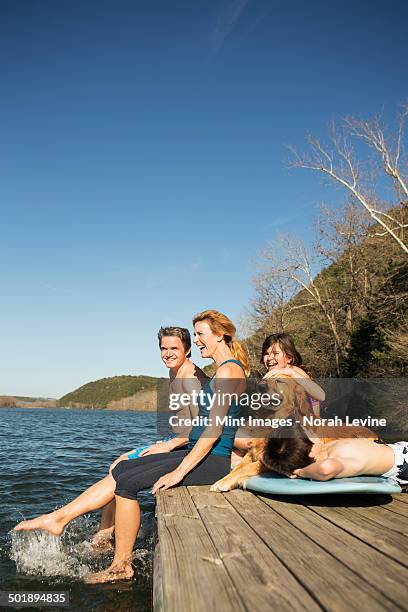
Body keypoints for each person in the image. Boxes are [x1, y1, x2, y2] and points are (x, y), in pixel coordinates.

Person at [15, 310, 249, 585]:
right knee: (123, 468)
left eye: (200, 334)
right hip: (199, 454)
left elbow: (214, 430)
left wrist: (178, 471)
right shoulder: (223, 370)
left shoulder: (230, 370)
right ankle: (59, 519)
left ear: (219, 335)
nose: (196, 341)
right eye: (195, 334)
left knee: (127, 483)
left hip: (212, 460)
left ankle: (121, 566)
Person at [91, 326, 208, 549]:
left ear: (188, 350)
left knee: (120, 467)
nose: (168, 353)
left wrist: (170, 445)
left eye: (174, 348)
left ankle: (104, 534)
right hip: (176, 442)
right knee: (118, 464)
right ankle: (106, 531)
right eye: (164, 348)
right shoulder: (174, 372)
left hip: (189, 448)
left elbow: (202, 428)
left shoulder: (193, 380)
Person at [231, 332, 325, 464]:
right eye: (266, 353)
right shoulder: (271, 377)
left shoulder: (294, 371)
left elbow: (321, 395)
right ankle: (248, 452)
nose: (269, 357)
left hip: (306, 429)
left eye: (275, 353)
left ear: (289, 358)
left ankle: (255, 453)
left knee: (237, 436)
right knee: (235, 431)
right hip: (282, 425)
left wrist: (290, 372)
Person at [260, 424, 408, 484]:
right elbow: (326, 469)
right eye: (308, 434)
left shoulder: (325, 448)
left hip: (398, 448)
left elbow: (264, 456)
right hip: (402, 464)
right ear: (311, 453)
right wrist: (300, 472)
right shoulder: (336, 459)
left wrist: (273, 462)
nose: (311, 430)